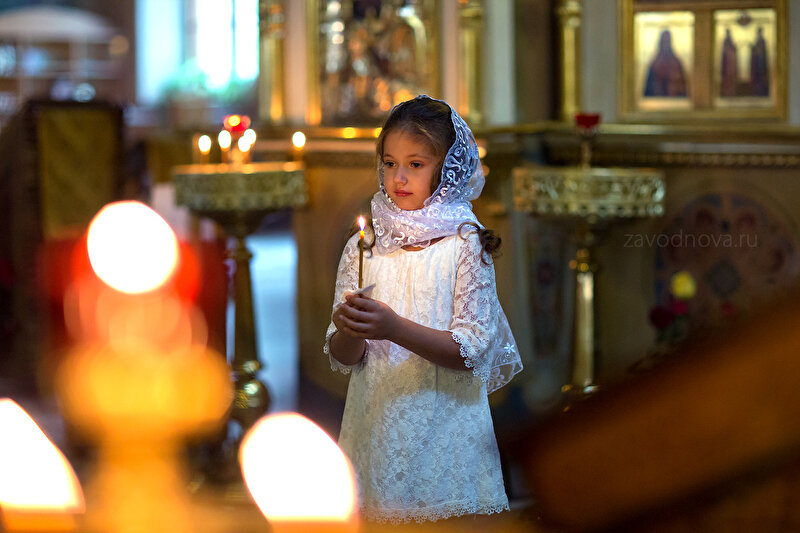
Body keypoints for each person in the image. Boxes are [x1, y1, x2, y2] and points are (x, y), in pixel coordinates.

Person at [324, 95, 523, 524]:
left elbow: (470, 352)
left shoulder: (465, 245)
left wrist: (393, 327)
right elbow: (344, 356)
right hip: (375, 428)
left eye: (415, 164)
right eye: (389, 163)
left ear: (447, 168)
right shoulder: (365, 246)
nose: (398, 177)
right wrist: (350, 330)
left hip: (447, 434)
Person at [643, 29, 688, 98]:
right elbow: (648, 91)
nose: (666, 44)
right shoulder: (654, 63)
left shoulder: (676, 62)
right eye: (664, 41)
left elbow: (683, 89)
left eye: (667, 41)